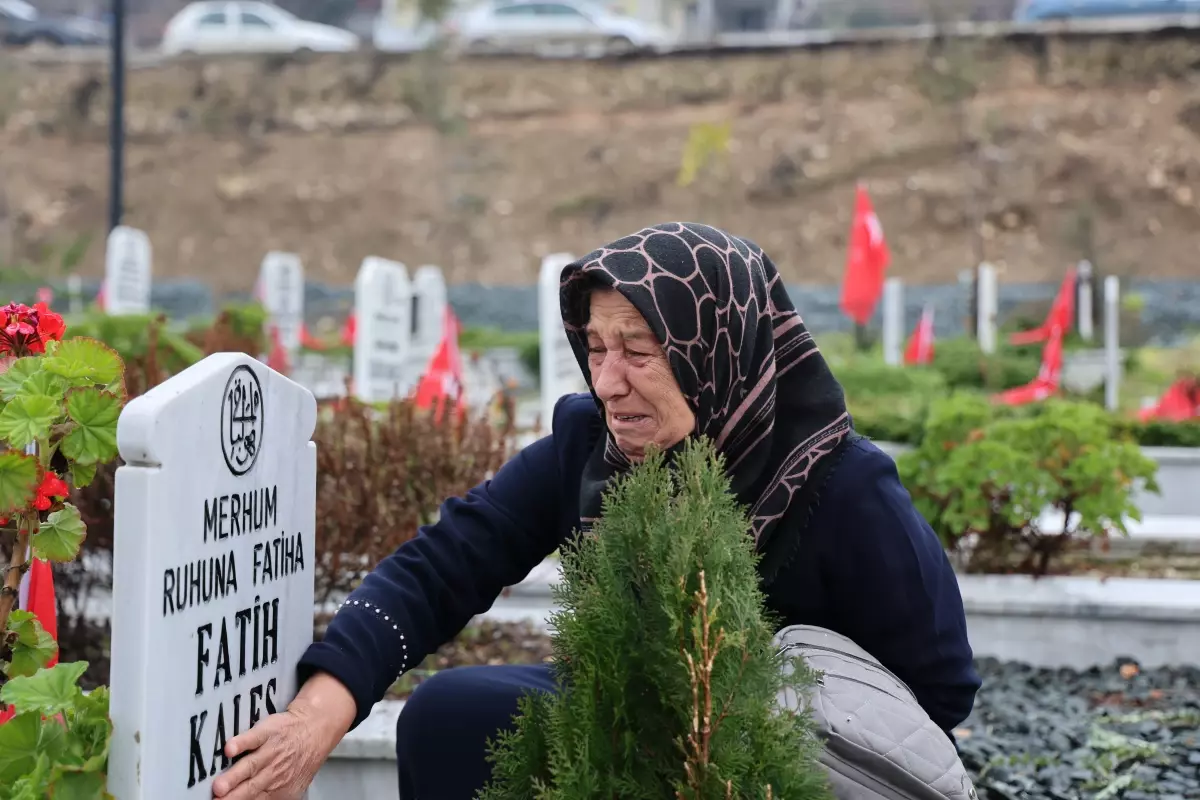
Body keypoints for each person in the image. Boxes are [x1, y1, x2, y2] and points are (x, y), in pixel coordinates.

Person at [211, 222, 981, 800]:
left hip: (783, 764)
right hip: (632, 730)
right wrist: (317, 717)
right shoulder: (592, 446)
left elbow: (940, 690)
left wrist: (762, 713)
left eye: (639, 352)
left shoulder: (843, 486)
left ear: (719, 352)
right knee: (452, 716)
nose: (608, 380)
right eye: (595, 346)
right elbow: (445, 565)